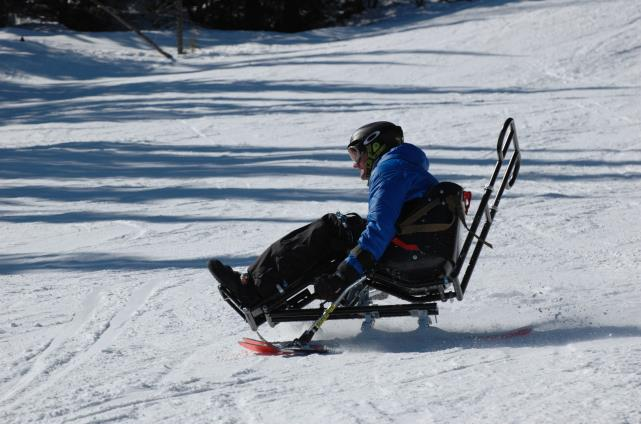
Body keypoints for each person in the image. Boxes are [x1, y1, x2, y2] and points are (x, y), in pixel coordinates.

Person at [208, 121, 439, 309]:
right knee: (340, 228)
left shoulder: (390, 169)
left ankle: (254, 289)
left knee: (330, 230)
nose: (355, 165)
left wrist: (344, 275)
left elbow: (381, 228)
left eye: (356, 154)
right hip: (414, 248)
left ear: (375, 146)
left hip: (406, 253)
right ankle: (256, 282)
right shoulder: (404, 166)